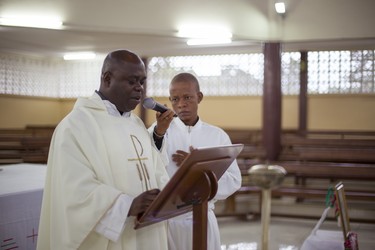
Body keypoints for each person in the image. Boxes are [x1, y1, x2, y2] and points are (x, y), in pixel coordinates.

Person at [37, 49, 170, 250]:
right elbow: (73, 190)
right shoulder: (75, 126)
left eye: (142, 82)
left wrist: (170, 193)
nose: (139, 89)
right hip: (112, 239)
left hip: (147, 232)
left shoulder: (136, 124)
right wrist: (126, 205)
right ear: (107, 79)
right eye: (132, 81)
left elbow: (156, 170)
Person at [149, 72, 242, 250]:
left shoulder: (217, 135)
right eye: (175, 99)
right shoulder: (159, 130)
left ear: (199, 97)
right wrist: (159, 134)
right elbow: (147, 165)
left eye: (187, 97)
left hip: (203, 217)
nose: (181, 104)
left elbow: (234, 180)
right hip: (168, 220)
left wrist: (198, 169)